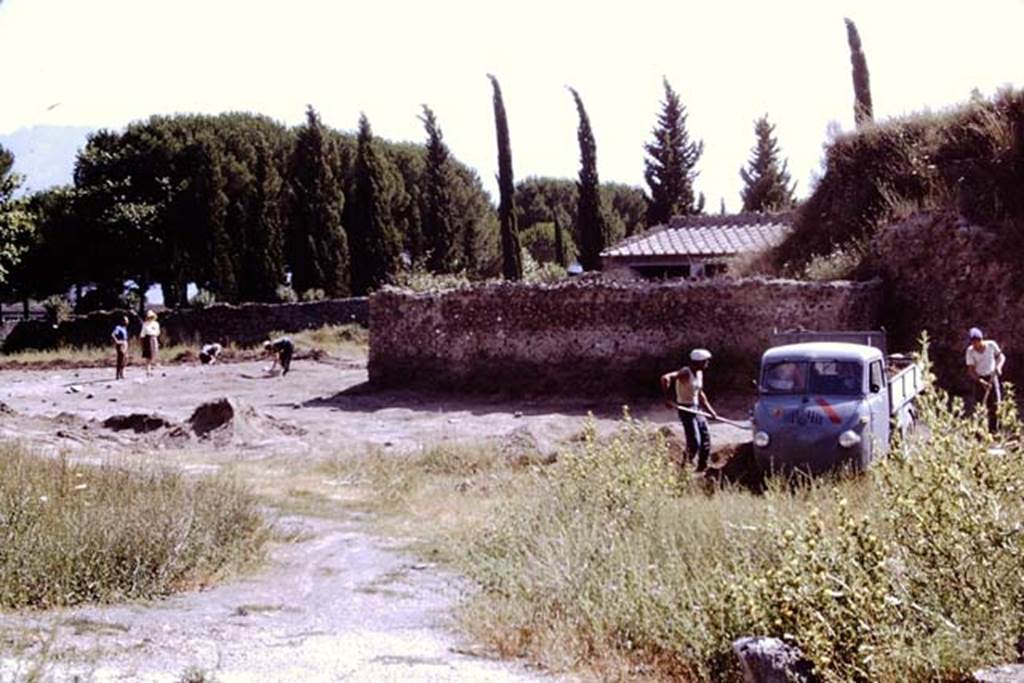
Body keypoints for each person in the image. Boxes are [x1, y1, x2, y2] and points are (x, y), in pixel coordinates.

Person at [660, 348, 720, 472]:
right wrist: (667, 399)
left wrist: (711, 411)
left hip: (696, 407)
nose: (707, 363)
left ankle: (702, 467)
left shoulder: (699, 373)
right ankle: (685, 467)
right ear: (698, 362)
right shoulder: (685, 373)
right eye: (705, 361)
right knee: (694, 442)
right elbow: (665, 378)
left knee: (706, 438)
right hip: (686, 409)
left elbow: (700, 394)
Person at [966, 326, 1005, 433]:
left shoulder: (991, 345)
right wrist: (981, 382)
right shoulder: (970, 351)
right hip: (979, 379)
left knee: (996, 405)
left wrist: (999, 367)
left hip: (992, 377)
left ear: (980, 340)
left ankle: (994, 431)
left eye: (975, 342)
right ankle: (978, 432)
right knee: (980, 406)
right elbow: (971, 370)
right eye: (972, 342)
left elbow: (1001, 357)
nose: (974, 345)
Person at [140, 310, 161, 376]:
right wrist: (142, 342)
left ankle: (151, 368)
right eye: (149, 317)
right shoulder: (145, 324)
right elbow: (142, 334)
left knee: (154, 355)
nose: (150, 318)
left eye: (151, 316)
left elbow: (158, 332)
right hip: (147, 339)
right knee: (148, 356)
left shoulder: (156, 324)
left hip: (154, 338)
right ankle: (148, 371)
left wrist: (157, 340)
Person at [111, 315, 129, 380]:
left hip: (125, 343)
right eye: (125, 320)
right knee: (120, 358)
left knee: (125, 359)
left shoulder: (124, 328)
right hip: (121, 344)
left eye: (127, 320)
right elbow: (113, 334)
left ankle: (122, 373)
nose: (127, 321)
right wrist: (117, 341)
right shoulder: (118, 327)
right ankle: (118, 374)